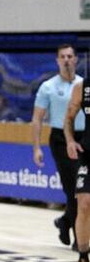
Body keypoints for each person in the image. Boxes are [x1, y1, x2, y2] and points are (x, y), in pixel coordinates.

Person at [33, 43, 84, 247]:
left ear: (76, 59)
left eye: (70, 56)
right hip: (61, 140)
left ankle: (65, 221)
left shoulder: (83, 85)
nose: (66, 60)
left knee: (84, 189)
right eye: (62, 56)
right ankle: (80, 238)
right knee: (74, 188)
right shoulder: (48, 87)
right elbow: (37, 118)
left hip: (83, 138)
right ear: (57, 60)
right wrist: (36, 147)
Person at [64, 80, 90, 262]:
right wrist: (70, 140)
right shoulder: (82, 87)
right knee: (84, 202)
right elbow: (68, 118)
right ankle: (83, 255)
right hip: (88, 152)